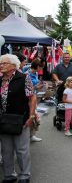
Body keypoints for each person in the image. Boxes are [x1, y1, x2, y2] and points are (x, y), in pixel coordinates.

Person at [0, 54, 37, 183]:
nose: (1, 65)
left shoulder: (23, 77)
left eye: (4, 63)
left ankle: (25, 175)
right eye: (0, 63)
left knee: (22, 150)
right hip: (3, 120)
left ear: (13, 66)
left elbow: (32, 97)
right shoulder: (0, 79)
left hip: (20, 119)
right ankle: (9, 175)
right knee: (6, 150)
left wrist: (31, 116)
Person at [26, 61, 43, 142]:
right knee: (33, 117)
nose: (41, 69)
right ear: (37, 67)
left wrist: (39, 86)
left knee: (34, 117)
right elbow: (28, 88)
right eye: (40, 67)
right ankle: (30, 135)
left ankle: (31, 135)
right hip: (29, 99)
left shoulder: (35, 73)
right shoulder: (27, 74)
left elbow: (35, 85)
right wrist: (37, 87)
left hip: (34, 97)